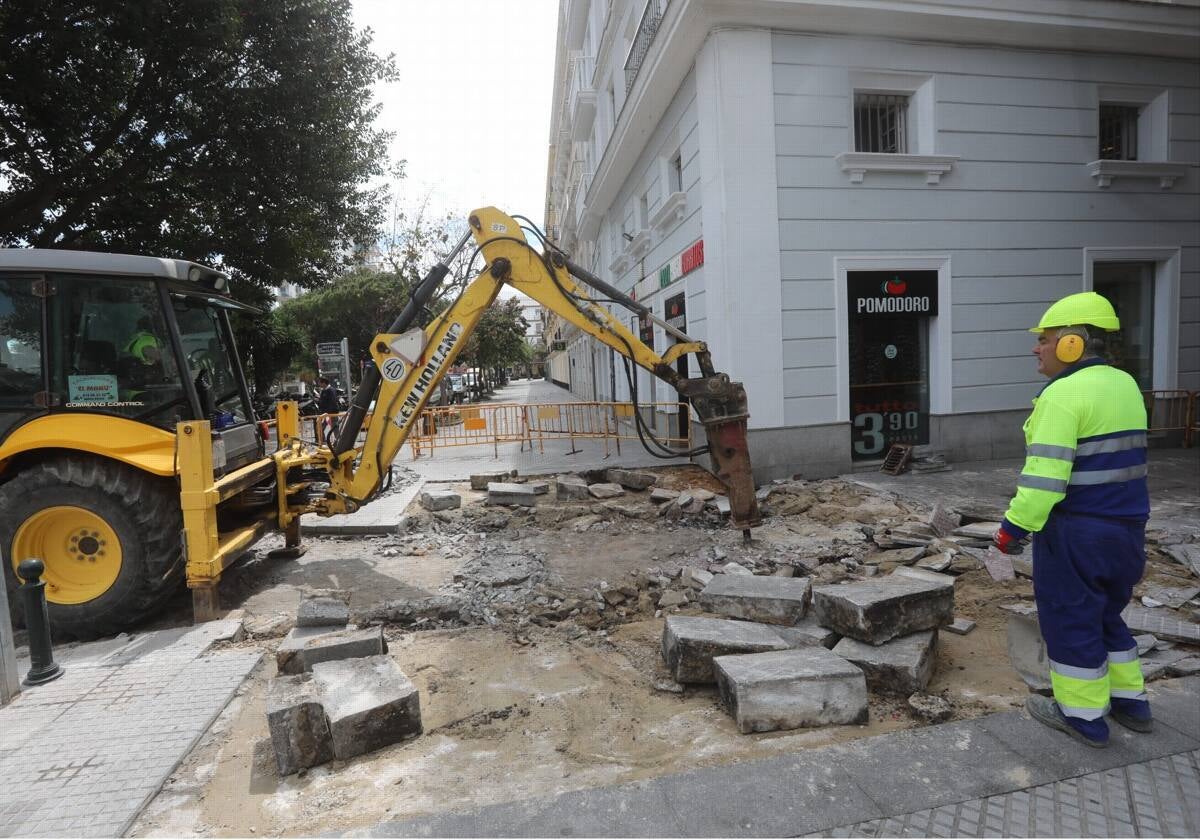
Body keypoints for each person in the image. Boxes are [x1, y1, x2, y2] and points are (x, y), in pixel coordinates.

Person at [993, 291, 1151, 748]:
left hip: (1077, 530)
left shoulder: (1061, 396)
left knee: (1070, 619)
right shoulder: (1125, 386)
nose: (1036, 348)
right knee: (1107, 613)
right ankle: (1131, 701)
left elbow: (1044, 481)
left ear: (1071, 345)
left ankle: (1082, 716)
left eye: (1045, 339)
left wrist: (1010, 532)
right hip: (1127, 529)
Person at [317, 376, 340, 442]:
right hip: (325, 414)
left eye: (320, 383)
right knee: (320, 427)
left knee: (335, 428)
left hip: (332, 413)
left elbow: (332, 402)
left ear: (324, 383)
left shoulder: (331, 390)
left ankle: (338, 441)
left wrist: (328, 412)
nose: (319, 384)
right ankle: (323, 441)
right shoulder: (323, 391)